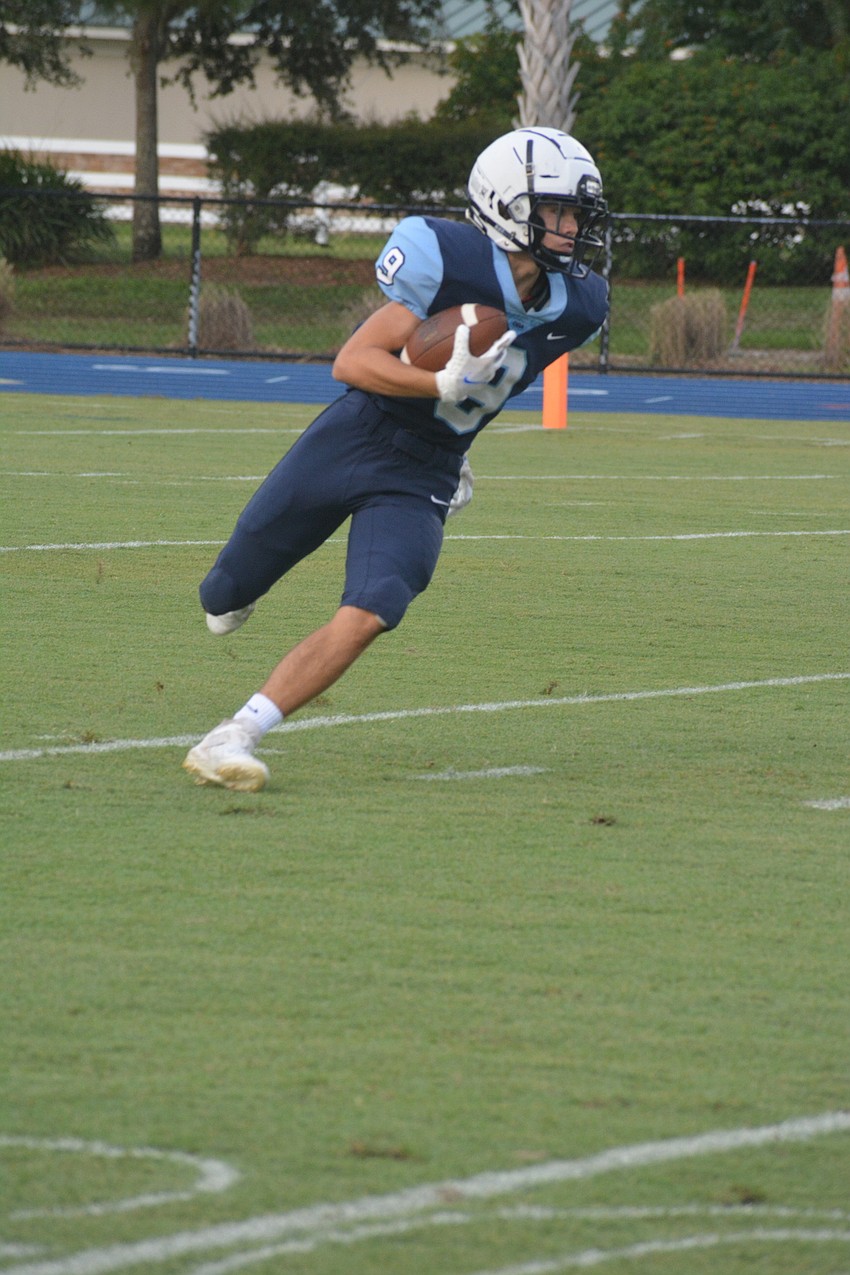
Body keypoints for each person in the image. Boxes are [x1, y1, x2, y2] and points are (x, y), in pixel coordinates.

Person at [183, 126, 610, 792]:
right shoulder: (447, 259)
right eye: (559, 209)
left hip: (424, 473)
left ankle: (234, 733)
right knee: (223, 593)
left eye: (577, 212)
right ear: (508, 206)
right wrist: (442, 386)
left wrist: (459, 440)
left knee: (379, 603)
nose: (574, 225)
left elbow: (501, 380)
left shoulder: (580, 304)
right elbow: (352, 363)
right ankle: (232, 594)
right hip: (357, 436)